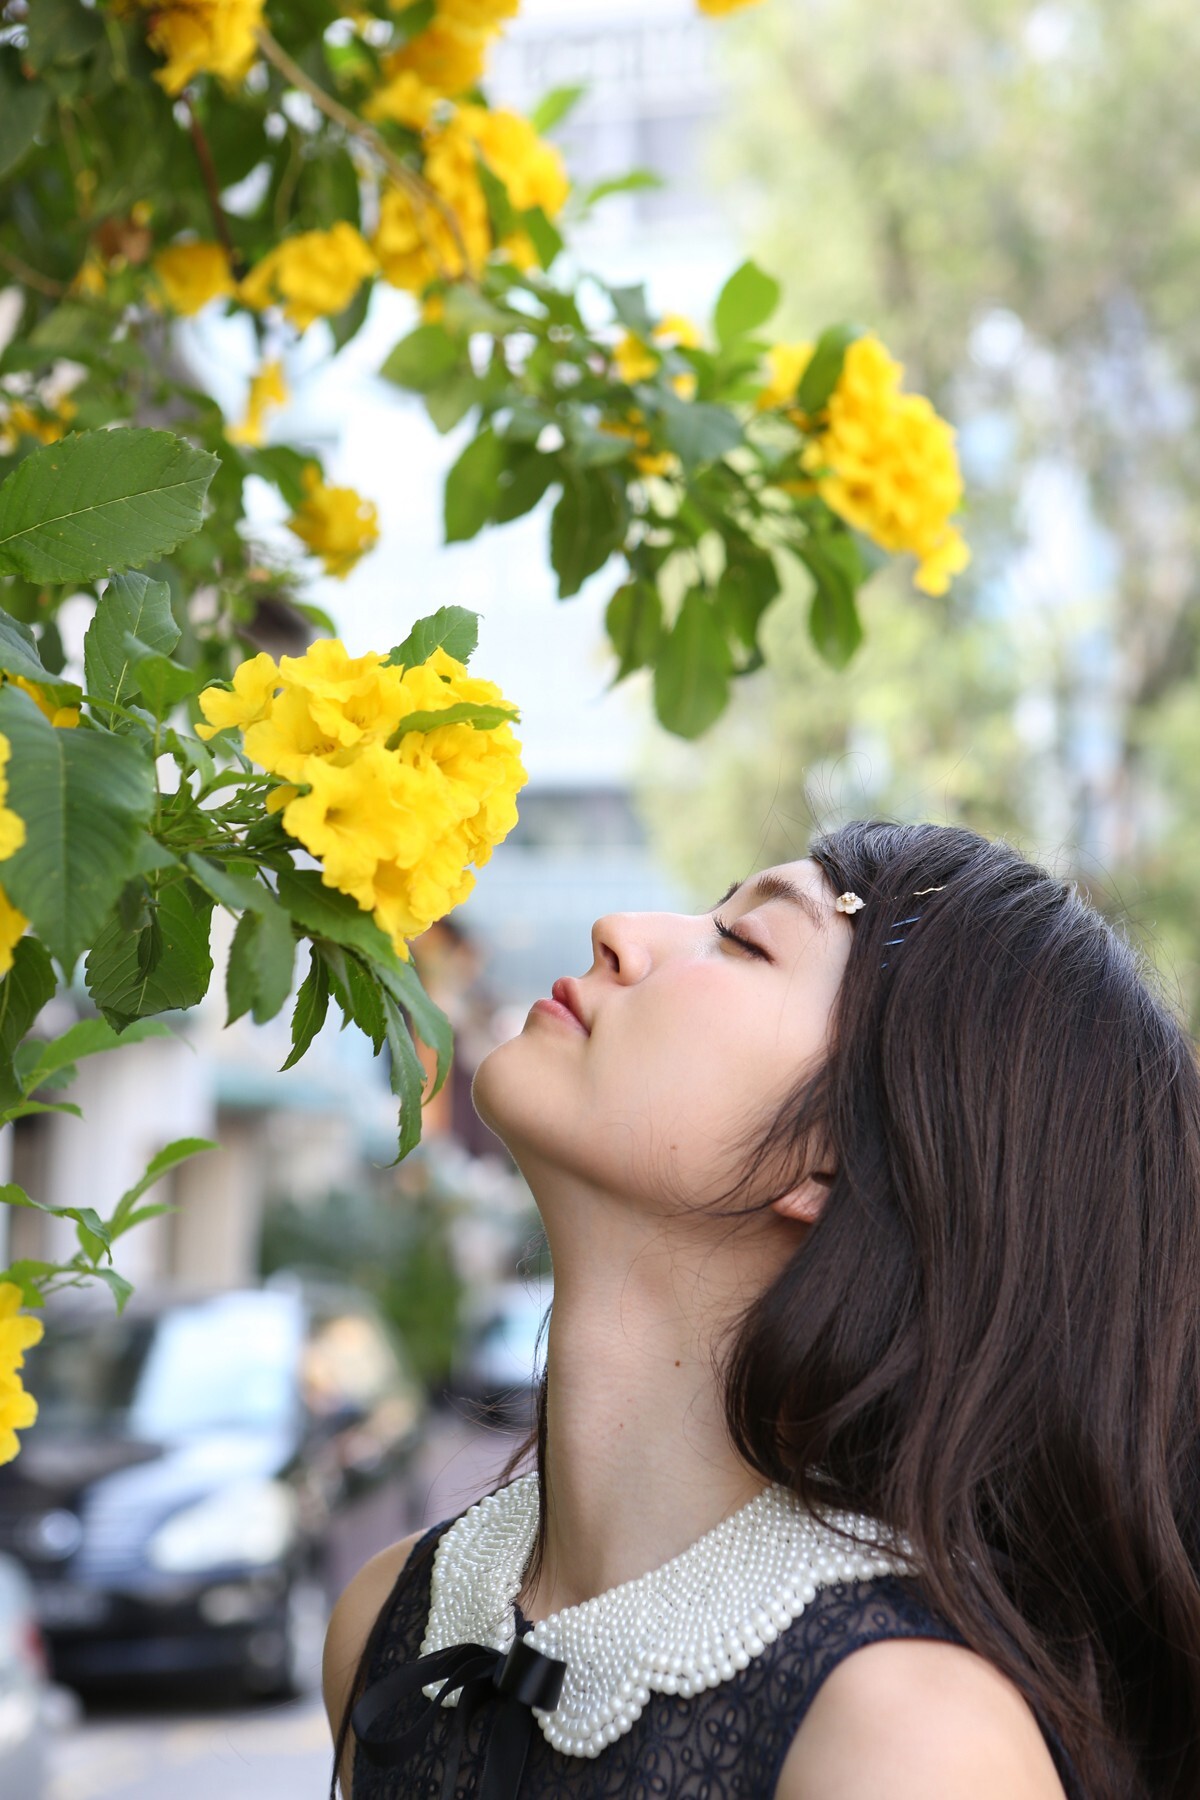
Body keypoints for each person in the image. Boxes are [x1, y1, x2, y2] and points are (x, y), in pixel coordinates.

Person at [322, 820, 1200, 1799]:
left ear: (839, 1156)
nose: (619, 929)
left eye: (744, 940)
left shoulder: (907, 1741)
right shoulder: (391, 1619)